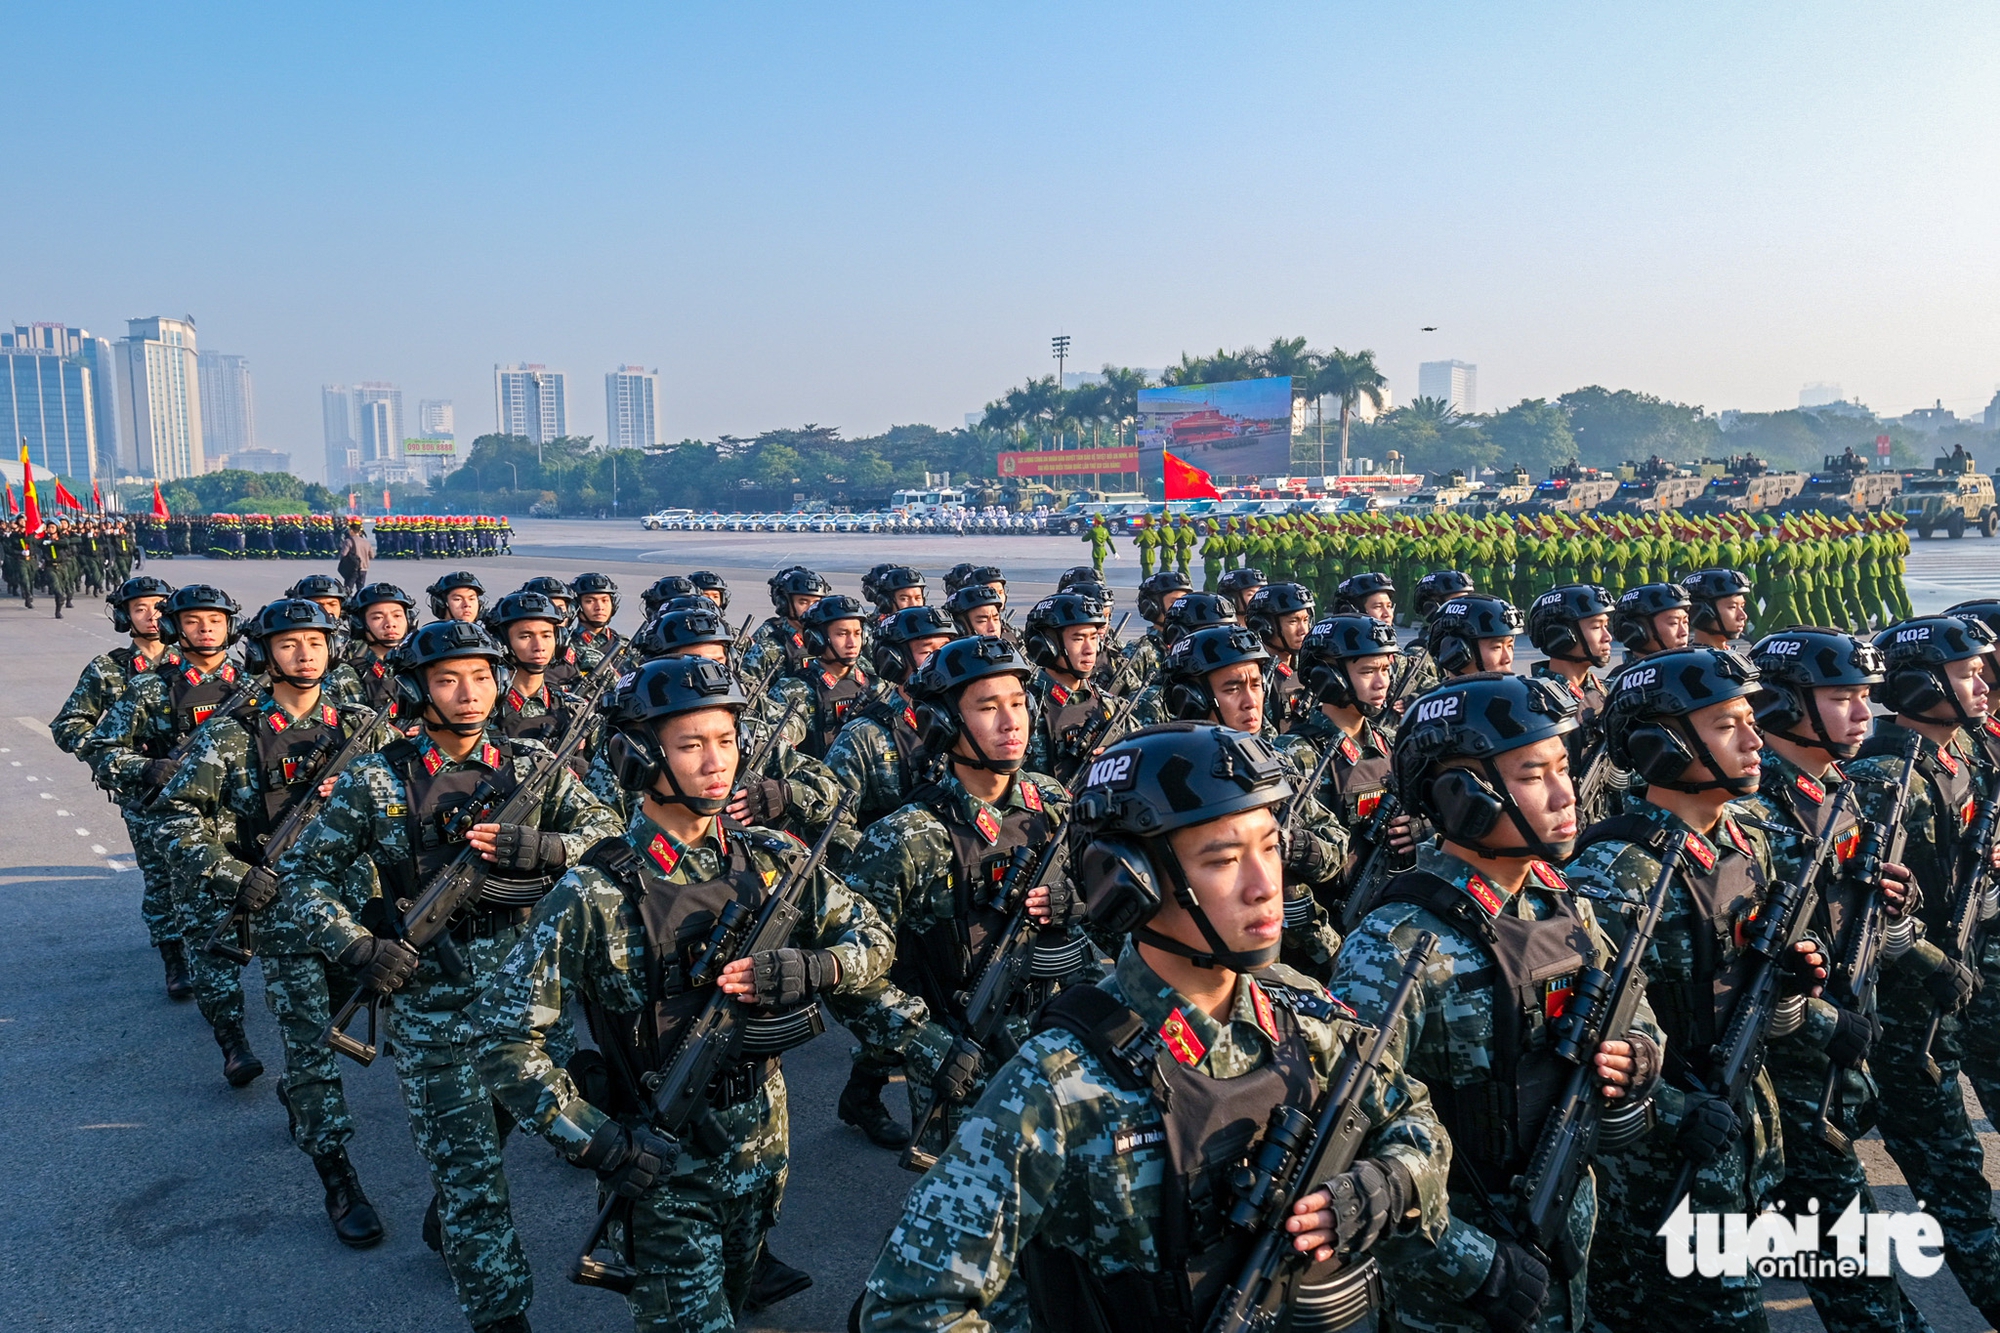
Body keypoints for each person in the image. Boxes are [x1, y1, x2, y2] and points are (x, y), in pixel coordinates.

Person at [857, 722, 1453, 1333]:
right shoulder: (1057, 1086)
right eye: (1224, 859)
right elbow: (910, 1308)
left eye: (1270, 848)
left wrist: (1384, 1184)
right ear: (1130, 884)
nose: (1263, 885)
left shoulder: (1304, 1013)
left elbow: (1415, 1121)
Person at [470, 655, 899, 1331]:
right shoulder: (596, 889)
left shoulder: (770, 858)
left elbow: (873, 935)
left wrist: (816, 969)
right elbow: (502, 1039)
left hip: (761, 1155)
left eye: (726, 741)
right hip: (662, 1168)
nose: (715, 762)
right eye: (692, 744)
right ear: (644, 757)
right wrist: (596, 1139)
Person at [273, 620, 622, 1333]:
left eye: (481, 676)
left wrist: (547, 844)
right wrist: (358, 946)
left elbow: (615, 838)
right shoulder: (380, 778)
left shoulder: (532, 767)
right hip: (435, 1009)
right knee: (471, 1187)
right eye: (448, 679)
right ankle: (500, 1317)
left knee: (569, 1139)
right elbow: (302, 878)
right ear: (417, 688)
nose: (469, 693)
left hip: (532, 1005)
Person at [1333, 671, 1664, 1332]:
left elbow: (1634, 1004)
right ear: (1464, 797)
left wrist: (1640, 1056)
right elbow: (1348, 1162)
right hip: (1459, 1294)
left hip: (1564, 1237)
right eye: (1534, 774)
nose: (1566, 793)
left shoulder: (1556, 896)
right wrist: (1476, 1265)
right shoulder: (1397, 945)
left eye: (1563, 768)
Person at [1567, 646, 1818, 1330]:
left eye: (1750, 719)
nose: (1754, 738)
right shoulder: (1616, 872)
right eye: (1726, 723)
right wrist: (1676, 1107)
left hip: (1736, 1132)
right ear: (1665, 741)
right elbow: (1587, 1038)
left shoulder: (1744, 840)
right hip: (1654, 1162)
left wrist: (1794, 970)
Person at [154, 599, 399, 1244]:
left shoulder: (364, 729)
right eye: (289, 644)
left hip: (356, 912)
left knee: (357, 1016)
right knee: (312, 1045)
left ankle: (303, 1098)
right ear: (266, 653)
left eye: (315, 642)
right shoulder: (230, 735)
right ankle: (337, 1177)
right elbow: (175, 820)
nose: (305, 654)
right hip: (284, 917)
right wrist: (239, 877)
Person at [1734, 628, 1935, 1331]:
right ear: (1789, 703)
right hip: (1788, 1089)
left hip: (1834, 1071)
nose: (1861, 712)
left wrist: (1893, 901)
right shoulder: (1753, 818)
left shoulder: (1836, 792)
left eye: (1864, 696)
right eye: (1841, 696)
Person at [839, 637, 1092, 1170]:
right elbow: (848, 968)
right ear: (944, 725)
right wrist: (923, 1041)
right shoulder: (908, 836)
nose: (1011, 722)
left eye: (1018, 703)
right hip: (965, 1056)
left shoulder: (1052, 802)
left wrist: (1078, 903)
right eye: (987, 707)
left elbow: (1114, 902)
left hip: (1056, 1040)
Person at [1845, 614, 2000, 1326]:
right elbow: (1871, 915)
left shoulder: (1956, 749)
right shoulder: (1887, 773)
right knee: (1955, 1182)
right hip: (1908, 1018)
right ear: (1920, 682)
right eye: (1968, 671)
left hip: (1957, 982)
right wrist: (1932, 955)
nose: (1984, 682)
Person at [83, 584, 257, 1043]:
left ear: (230, 627)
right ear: (174, 628)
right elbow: (100, 746)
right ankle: (226, 1031)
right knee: (189, 909)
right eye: (194, 621)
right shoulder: (149, 686)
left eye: (215, 621)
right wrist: (146, 767)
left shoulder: (253, 686)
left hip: (247, 820)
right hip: (177, 821)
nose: (205, 630)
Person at [51, 574, 185, 994]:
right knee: (162, 876)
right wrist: (125, 762)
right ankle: (174, 958)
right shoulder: (109, 669)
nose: (151, 615)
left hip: (202, 790)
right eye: (140, 608)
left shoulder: (195, 660)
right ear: (124, 616)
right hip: (144, 792)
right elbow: (68, 726)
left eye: (160, 606)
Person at [1526, 584, 1622, 825]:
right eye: (1596, 627)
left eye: (1606, 626)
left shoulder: (1604, 692)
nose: (1607, 637)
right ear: (1562, 636)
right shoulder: (1536, 705)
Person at [1019, 591, 1113, 784]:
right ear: (1048, 646)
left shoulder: (1109, 705)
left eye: (1094, 638)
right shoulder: (1023, 709)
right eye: (1078, 639)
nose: (1090, 649)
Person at [769, 594, 874, 760]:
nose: (852, 643)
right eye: (842, 634)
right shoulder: (791, 691)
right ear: (817, 639)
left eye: (857, 633)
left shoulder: (875, 685)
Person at [1245, 581, 1316, 734]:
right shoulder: (1257, 677)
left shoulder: (1312, 667)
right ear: (1265, 627)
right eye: (1293, 621)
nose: (1303, 630)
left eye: (1305, 620)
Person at [740, 566, 831, 679]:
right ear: (784, 604)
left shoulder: (833, 642)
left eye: (816, 603)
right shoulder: (766, 650)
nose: (811, 609)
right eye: (803, 602)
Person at [1423, 593, 1523, 679]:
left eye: (1510, 646)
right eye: (1497, 647)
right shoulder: (1425, 700)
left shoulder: (1526, 697)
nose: (1507, 659)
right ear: (1454, 653)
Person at [1609, 582, 1691, 658]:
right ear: (1635, 631)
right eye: (1674, 623)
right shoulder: (1622, 674)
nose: (1684, 632)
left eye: (1685, 622)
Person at [1682, 569, 1755, 648]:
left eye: (1742, 607)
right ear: (1700, 612)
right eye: (1732, 607)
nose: (1743, 616)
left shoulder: (1730, 656)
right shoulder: (1692, 660)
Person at [569, 572, 622, 670]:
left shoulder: (623, 644)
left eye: (605, 600)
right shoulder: (566, 646)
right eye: (590, 601)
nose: (599, 607)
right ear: (576, 606)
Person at [336, 516, 373, 595]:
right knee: (361, 588)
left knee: (348, 588)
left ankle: (348, 604)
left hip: (352, 568)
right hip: (363, 568)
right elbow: (372, 556)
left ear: (352, 531)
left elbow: (343, 554)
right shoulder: (366, 542)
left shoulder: (348, 541)